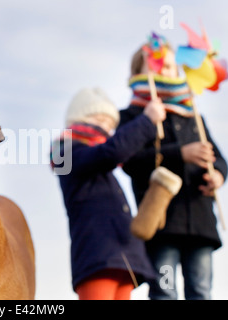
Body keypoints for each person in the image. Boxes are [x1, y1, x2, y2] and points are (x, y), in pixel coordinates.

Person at [119, 42, 228, 300]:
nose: (165, 71)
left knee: (201, 291)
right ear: (139, 71)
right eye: (157, 65)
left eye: (169, 66)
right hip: (161, 224)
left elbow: (220, 160)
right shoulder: (134, 116)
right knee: (164, 291)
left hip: (200, 222)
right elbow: (130, 162)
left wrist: (218, 176)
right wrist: (180, 153)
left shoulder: (194, 116)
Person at [50, 87, 165, 300]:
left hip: (122, 256)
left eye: (111, 124)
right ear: (79, 118)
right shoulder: (67, 153)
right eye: (100, 119)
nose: (106, 128)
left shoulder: (99, 163)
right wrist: (147, 121)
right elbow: (112, 152)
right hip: (97, 256)